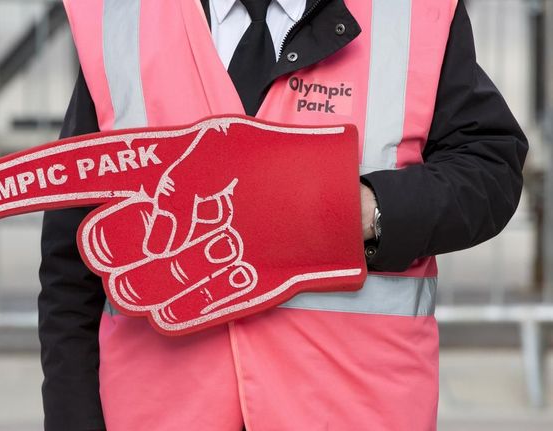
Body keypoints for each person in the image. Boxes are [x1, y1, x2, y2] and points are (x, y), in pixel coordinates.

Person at [38, 0, 528, 429]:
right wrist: (72, 415)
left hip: (352, 407)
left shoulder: (413, 11)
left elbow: (488, 167)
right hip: (161, 409)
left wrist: (368, 209)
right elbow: (72, 254)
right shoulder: (122, 17)